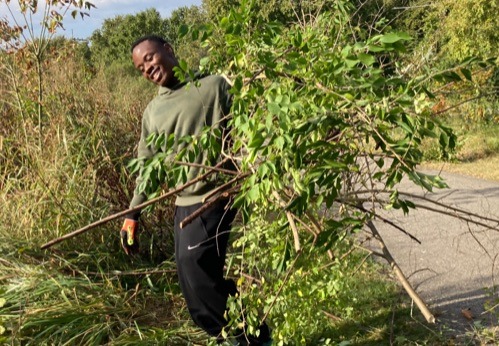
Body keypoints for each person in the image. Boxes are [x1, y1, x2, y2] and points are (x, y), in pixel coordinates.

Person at [119, 35, 271, 345]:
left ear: (168, 50)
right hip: (183, 203)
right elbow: (146, 167)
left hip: (216, 195)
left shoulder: (214, 85)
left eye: (149, 58)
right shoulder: (153, 111)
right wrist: (132, 214)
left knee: (197, 272)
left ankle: (250, 339)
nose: (147, 69)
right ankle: (245, 332)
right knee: (194, 283)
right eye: (140, 68)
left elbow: (250, 127)